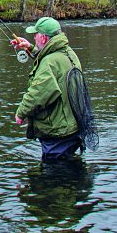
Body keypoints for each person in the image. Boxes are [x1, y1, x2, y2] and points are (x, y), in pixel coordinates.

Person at [10, 16, 84, 160]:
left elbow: (39, 93)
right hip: (72, 127)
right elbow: (52, 62)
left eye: (36, 35)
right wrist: (30, 48)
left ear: (43, 38)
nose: (34, 37)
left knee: (56, 174)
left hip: (58, 133)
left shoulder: (49, 63)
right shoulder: (68, 53)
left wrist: (21, 114)